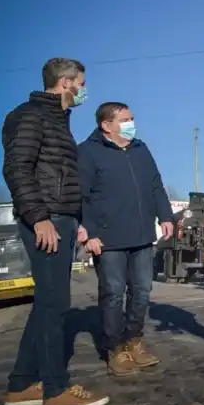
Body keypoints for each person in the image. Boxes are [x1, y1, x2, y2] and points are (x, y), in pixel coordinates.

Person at [1, 58, 110, 405]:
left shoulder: (57, 119)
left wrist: (74, 219)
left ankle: (20, 386)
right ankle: (55, 390)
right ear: (66, 82)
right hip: (45, 221)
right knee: (54, 304)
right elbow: (17, 168)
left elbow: (59, 176)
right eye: (81, 82)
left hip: (60, 219)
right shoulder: (31, 115)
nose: (83, 89)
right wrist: (40, 218)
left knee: (47, 303)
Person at [78, 102, 174, 377]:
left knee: (142, 291)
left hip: (142, 235)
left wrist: (166, 217)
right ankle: (115, 348)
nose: (132, 123)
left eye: (132, 118)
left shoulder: (140, 149)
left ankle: (134, 340)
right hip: (108, 240)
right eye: (125, 119)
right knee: (113, 294)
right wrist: (90, 232)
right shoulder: (88, 152)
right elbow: (81, 196)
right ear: (106, 126)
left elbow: (155, 184)